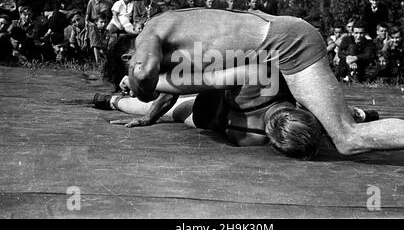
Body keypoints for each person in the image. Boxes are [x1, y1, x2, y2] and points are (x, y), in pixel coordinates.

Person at [101, 9, 404, 156]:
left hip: (284, 45)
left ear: (127, 58)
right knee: (331, 125)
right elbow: (187, 83)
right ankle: (346, 114)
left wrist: (134, 85)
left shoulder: (150, 32)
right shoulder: (178, 39)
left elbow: (146, 74)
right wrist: (149, 114)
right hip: (279, 44)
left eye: (125, 72)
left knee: (346, 139)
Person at [96, 65, 379, 159]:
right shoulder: (251, 138)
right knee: (168, 102)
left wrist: (150, 117)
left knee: (168, 108)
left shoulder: (264, 83)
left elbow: (180, 89)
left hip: (205, 112)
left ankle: (113, 100)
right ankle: (115, 99)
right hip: (213, 105)